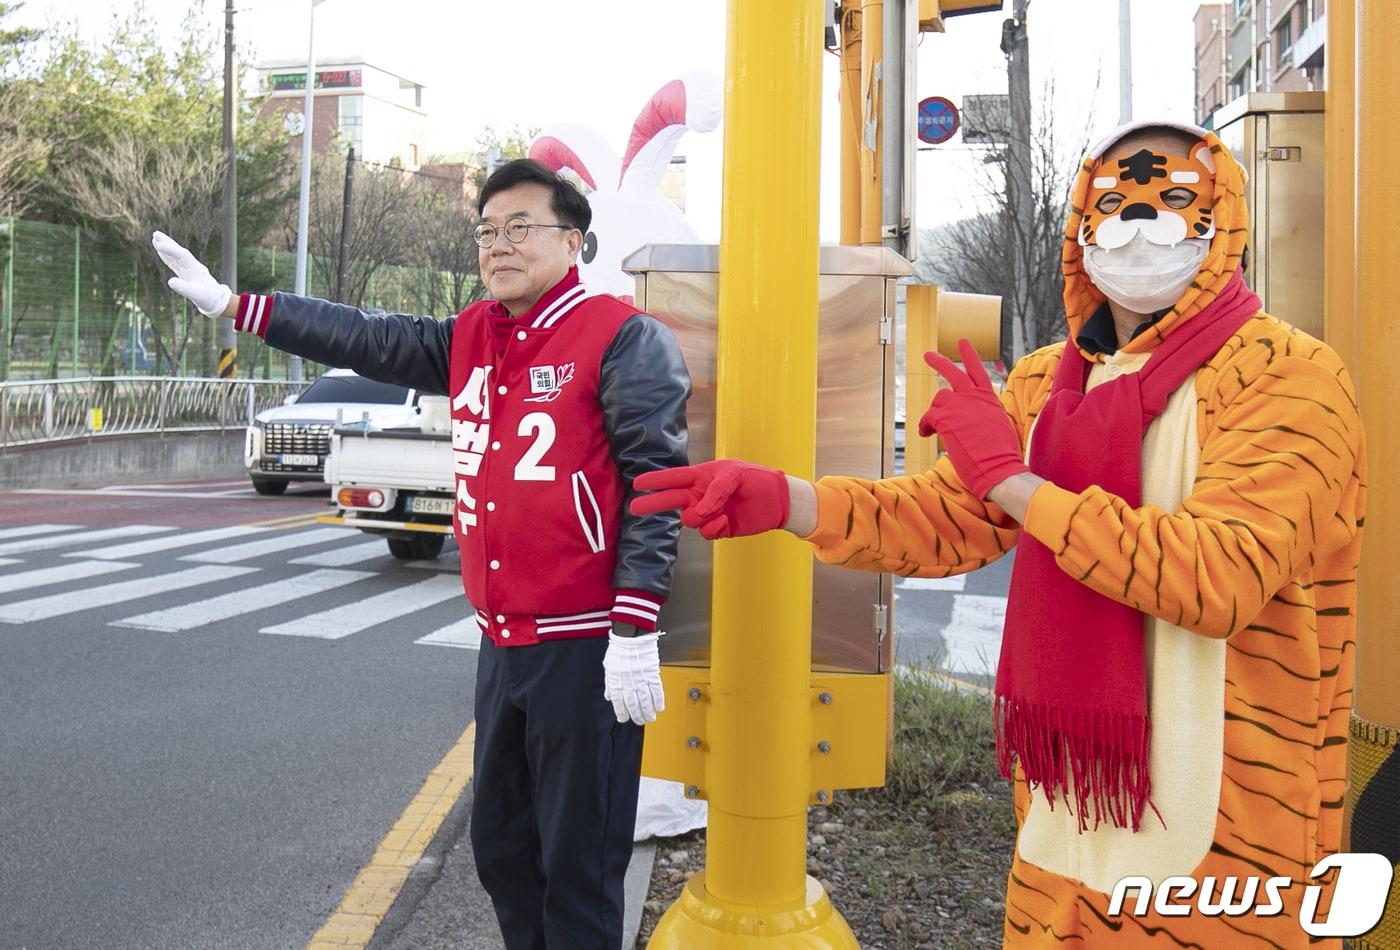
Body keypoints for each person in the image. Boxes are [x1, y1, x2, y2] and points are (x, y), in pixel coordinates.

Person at [630, 121, 1365, 948]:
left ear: (1223, 219)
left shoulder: (1287, 376)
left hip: (1234, 828)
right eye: (1114, 202)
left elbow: (1216, 576)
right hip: (1070, 804)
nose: (1140, 223)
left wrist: (1016, 482)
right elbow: (953, 522)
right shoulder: (1048, 381)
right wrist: (791, 501)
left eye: (1175, 200)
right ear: (1081, 230)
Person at [154, 158, 690, 950]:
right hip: (502, 640)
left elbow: (658, 485)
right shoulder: (474, 335)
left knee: (578, 868)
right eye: (486, 230)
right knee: (505, 851)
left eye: (520, 226)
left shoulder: (623, 337)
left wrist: (635, 627)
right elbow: (365, 335)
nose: (497, 244)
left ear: (573, 240)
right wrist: (241, 307)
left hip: (584, 644)